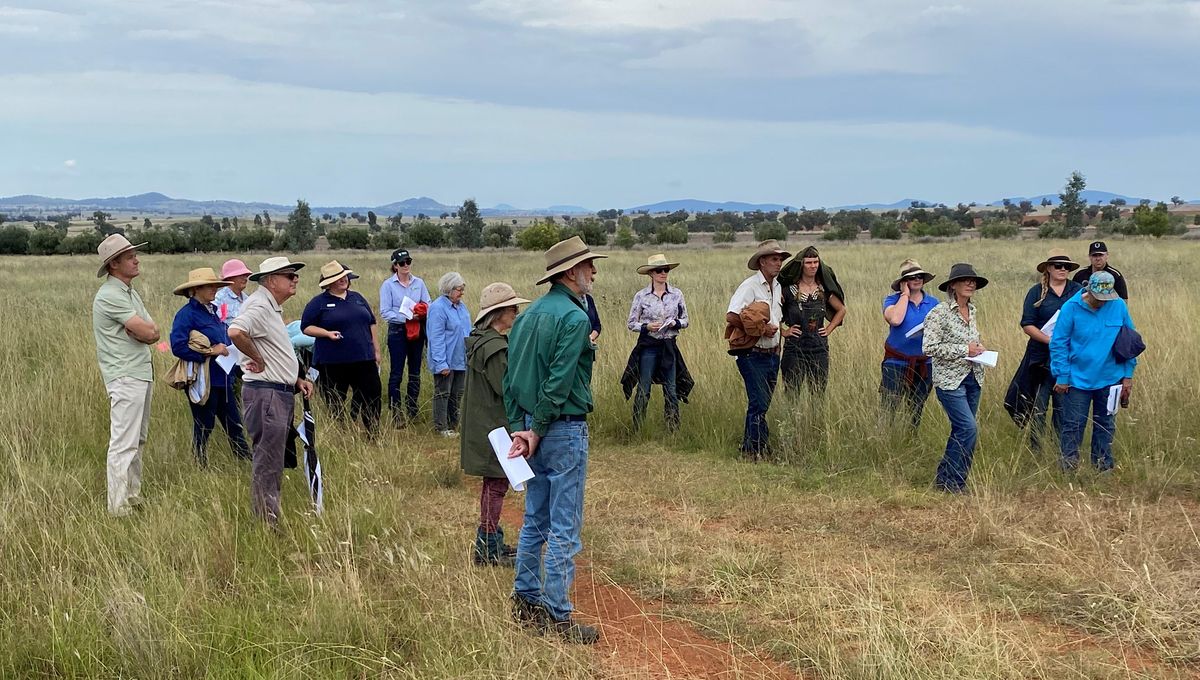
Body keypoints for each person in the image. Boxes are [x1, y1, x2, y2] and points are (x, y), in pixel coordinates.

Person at [505, 235, 605, 645]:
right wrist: (538, 428)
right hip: (559, 427)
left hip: (532, 424)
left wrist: (521, 427)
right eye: (588, 266)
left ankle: (525, 600)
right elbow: (560, 381)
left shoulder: (527, 317)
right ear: (570, 272)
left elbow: (511, 378)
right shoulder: (575, 318)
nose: (593, 272)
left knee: (535, 518)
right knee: (564, 525)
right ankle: (557, 614)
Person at [228, 257, 315, 528]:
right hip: (266, 395)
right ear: (272, 280)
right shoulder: (259, 305)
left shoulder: (270, 306)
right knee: (268, 461)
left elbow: (274, 348)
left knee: (273, 458)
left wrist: (296, 378)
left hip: (276, 392)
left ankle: (269, 517)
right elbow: (235, 331)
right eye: (290, 276)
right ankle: (268, 523)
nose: (295, 280)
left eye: (295, 275)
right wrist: (258, 359)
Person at [460, 282, 530, 566]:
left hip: (485, 423)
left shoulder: (482, 340)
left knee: (495, 483)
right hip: (495, 425)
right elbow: (508, 388)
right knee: (496, 484)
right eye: (512, 307)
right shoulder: (495, 347)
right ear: (498, 312)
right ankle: (487, 546)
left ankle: (491, 540)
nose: (515, 312)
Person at [92, 234, 159, 516]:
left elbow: (153, 330)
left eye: (134, 254)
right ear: (114, 264)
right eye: (130, 256)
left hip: (139, 372)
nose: (136, 259)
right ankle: (118, 506)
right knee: (124, 443)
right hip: (125, 375)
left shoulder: (128, 292)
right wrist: (143, 332)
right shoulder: (109, 295)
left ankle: (132, 496)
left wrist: (144, 332)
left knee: (138, 440)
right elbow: (147, 332)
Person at [1050, 272, 1137, 472]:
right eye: (1098, 298)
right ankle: (1068, 468)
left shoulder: (1118, 306)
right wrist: (1062, 376)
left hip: (1111, 379)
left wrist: (1128, 375)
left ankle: (1103, 468)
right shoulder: (1070, 308)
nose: (1102, 303)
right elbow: (1058, 344)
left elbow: (1130, 341)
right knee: (1073, 425)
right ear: (1088, 290)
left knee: (1106, 425)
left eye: (1106, 298)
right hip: (1077, 379)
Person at [169, 267, 250, 466]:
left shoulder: (213, 311)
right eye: (209, 286)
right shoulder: (186, 315)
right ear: (195, 290)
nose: (214, 289)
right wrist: (209, 352)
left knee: (234, 422)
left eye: (215, 285)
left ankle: (246, 460)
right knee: (204, 424)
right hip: (203, 379)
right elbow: (178, 346)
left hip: (223, 376)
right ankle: (200, 463)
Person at [923, 263, 989, 493]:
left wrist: (978, 349)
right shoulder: (938, 313)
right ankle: (955, 482)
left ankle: (945, 478)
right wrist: (965, 350)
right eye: (965, 280)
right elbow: (929, 347)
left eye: (974, 281)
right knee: (968, 429)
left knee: (961, 430)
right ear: (953, 285)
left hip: (974, 377)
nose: (971, 284)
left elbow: (971, 343)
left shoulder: (973, 310)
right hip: (949, 381)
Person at [1012, 249, 1083, 450]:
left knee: (1063, 405)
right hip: (1040, 358)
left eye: (1066, 266)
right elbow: (1027, 323)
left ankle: (1060, 447)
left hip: (1069, 356)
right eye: (1058, 266)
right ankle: (1037, 448)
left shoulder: (1077, 290)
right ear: (1049, 268)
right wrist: (1050, 341)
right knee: (1039, 405)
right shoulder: (1036, 291)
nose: (1062, 269)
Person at [726, 240, 790, 459]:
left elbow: (777, 319)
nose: (779, 263)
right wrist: (760, 330)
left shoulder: (778, 286)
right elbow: (732, 315)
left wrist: (778, 343)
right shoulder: (750, 286)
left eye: (780, 259)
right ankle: (753, 450)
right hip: (752, 354)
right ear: (762, 261)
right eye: (774, 259)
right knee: (758, 403)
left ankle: (756, 447)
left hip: (772, 354)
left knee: (762, 404)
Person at [301, 261, 382, 431]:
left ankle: (372, 431)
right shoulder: (318, 303)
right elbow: (306, 327)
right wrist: (326, 333)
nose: (343, 280)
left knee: (372, 394)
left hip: (364, 358)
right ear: (328, 282)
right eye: (338, 278)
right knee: (335, 398)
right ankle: (340, 432)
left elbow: (372, 323)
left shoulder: (358, 298)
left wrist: (376, 350)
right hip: (334, 362)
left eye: (344, 276)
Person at [622, 254, 692, 431]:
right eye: (659, 270)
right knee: (644, 388)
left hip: (669, 346)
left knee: (671, 388)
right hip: (649, 347)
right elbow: (631, 323)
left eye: (666, 270)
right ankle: (637, 429)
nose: (663, 273)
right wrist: (647, 327)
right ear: (651, 274)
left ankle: (673, 429)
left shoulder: (677, 294)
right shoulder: (641, 296)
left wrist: (676, 323)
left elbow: (685, 320)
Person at [777, 245, 846, 394]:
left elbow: (841, 309)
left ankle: (815, 418)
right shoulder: (788, 290)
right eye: (809, 262)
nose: (813, 266)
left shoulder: (824, 290)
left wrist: (828, 329)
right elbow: (771, 312)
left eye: (815, 262)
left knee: (818, 393)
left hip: (818, 348)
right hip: (794, 348)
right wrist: (782, 331)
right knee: (791, 393)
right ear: (801, 264)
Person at [880, 259, 938, 430]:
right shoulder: (891, 300)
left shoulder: (934, 303)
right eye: (912, 277)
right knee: (890, 405)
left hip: (924, 363)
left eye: (920, 276)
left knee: (916, 406)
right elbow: (896, 320)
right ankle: (884, 439)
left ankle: (910, 438)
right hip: (896, 362)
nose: (917, 279)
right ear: (903, 282)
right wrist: (904, 295)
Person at [379, 249, 432, 423]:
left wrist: (422, 311)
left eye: (408, 261)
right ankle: (396, 411)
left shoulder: (419, 283)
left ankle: (412, 408)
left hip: (417, 329)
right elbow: (385, 312)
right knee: (397, 372)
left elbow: (428, 303)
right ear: (395, 266)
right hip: (398, 331)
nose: (406, 265)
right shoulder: (388, 285)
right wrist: (406, 316)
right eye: (402, 263)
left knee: (415, 371)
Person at [427, 272, 471, 437]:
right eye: (459, 289)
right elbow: (435, 337)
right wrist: (441, 363)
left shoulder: (462, 306)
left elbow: (467, 329)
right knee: (443, 393)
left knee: (457, 393)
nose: (461, 293)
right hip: (446, 359)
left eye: (462, 289)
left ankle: (455, 424)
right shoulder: (438, 308)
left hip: (461, 358)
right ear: (449, 289)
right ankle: (441, 427)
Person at [215, 259, 253, 326]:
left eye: (246, 275)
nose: (245, 278)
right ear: (229, 278)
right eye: (240, 275)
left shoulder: (247, 299)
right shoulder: (218, 299)